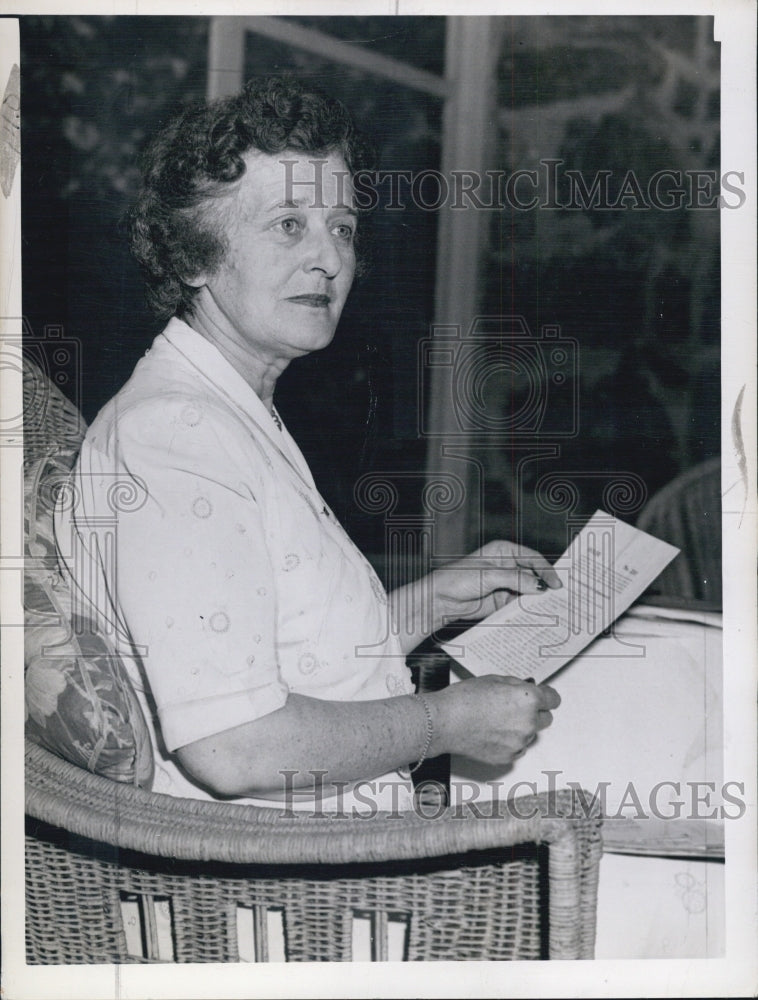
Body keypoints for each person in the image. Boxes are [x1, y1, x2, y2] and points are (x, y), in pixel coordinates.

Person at [57, 76, 561, 813]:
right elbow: (234, 746)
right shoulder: (176, 436)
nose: (329, 257)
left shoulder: (230, 410)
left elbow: (275, 656)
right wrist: (449, 721)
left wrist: (427, 603)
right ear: (194, 256)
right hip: (281, 897)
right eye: (289, 224)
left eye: (343, 227)